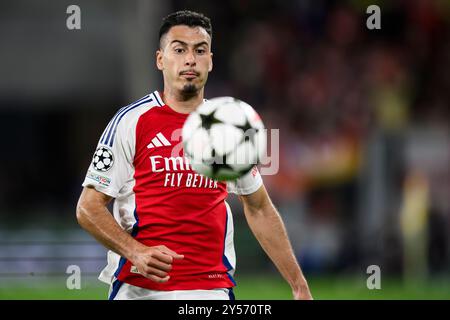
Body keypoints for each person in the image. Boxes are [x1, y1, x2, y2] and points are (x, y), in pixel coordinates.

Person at [76, 10, 312, 300]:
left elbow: (259, 207)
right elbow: (88, 207)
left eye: (200, 51)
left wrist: (299, 285)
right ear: (160, 60)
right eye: (179, 49)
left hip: (210, 289)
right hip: (140, 289)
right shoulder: (131, 121)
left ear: (210, 61)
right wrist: (135, 251)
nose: (190, 59)